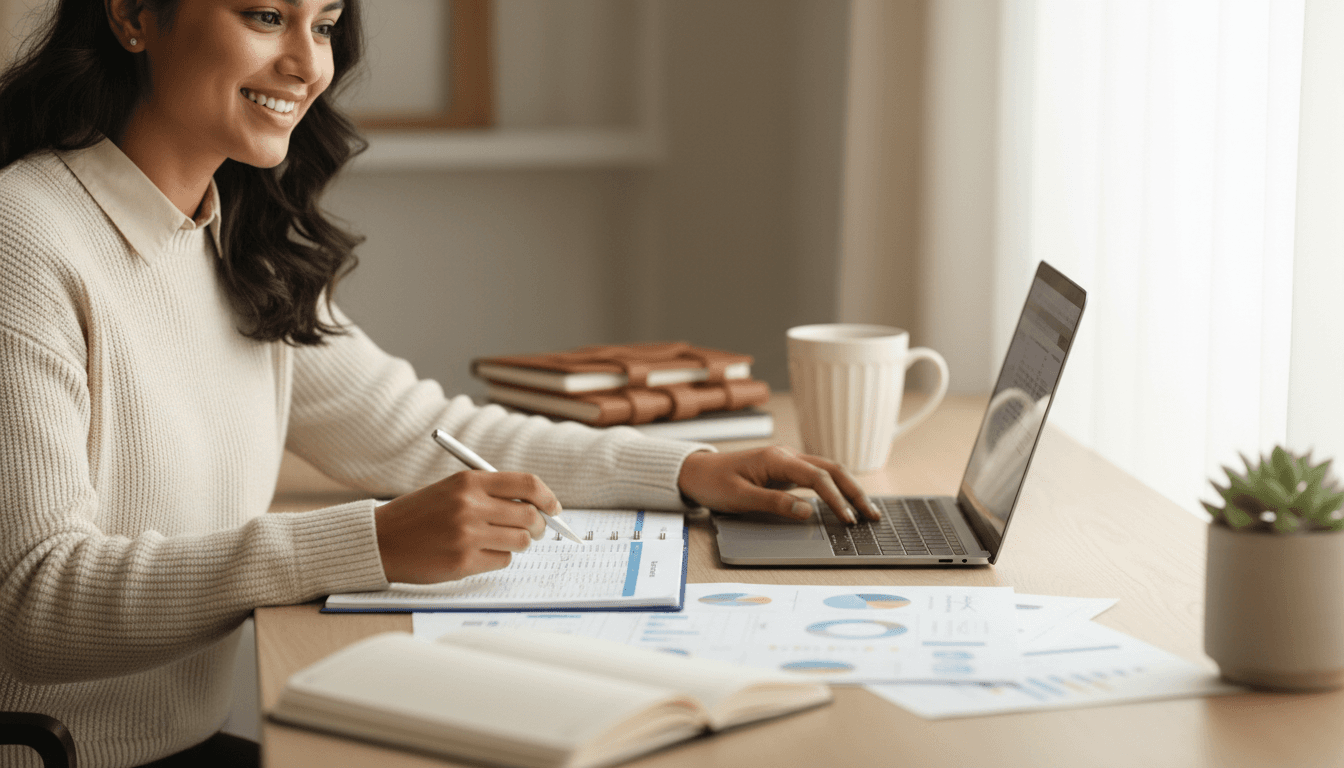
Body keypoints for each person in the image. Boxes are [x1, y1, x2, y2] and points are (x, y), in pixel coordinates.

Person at [0, 0, 876, 765]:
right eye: (266, 16)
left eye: (327, 24)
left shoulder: (231, 237)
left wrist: (685, 471)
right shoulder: (26, 239)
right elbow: (32, 603)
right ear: (132, 15)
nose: (308, 65)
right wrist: (369, 541)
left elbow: (420, 429)